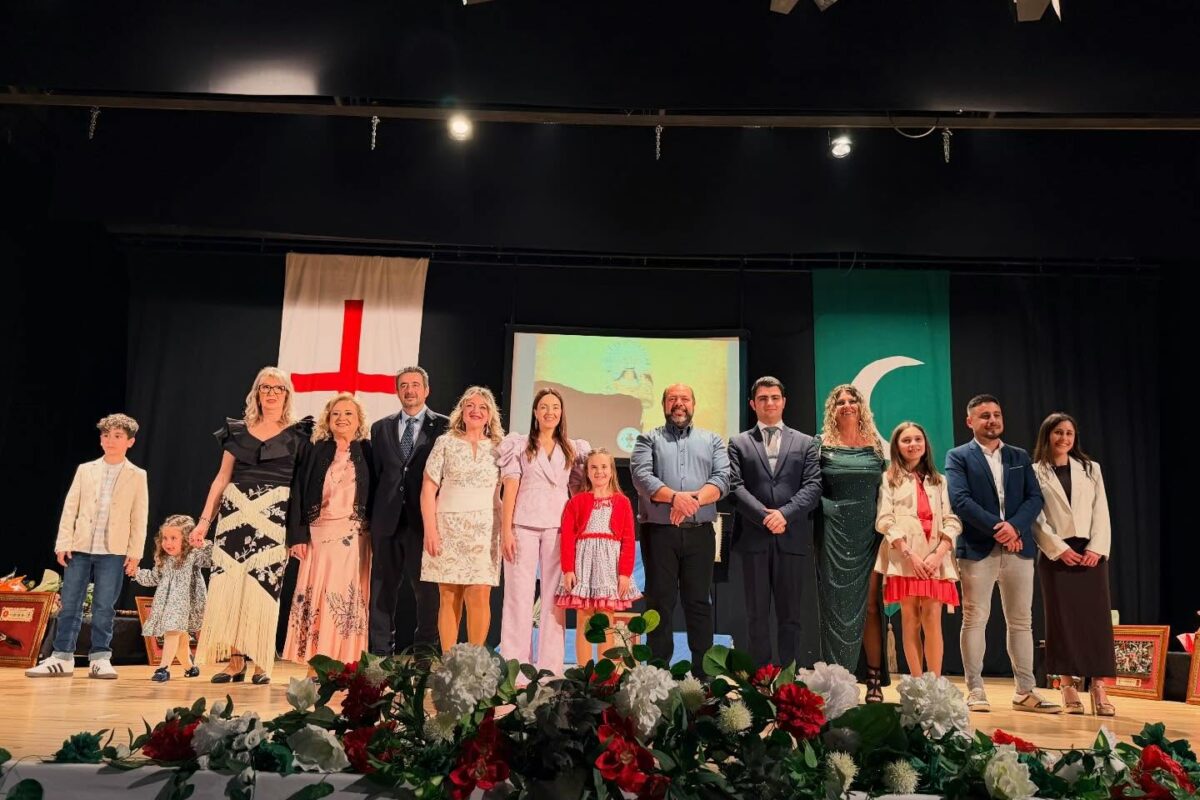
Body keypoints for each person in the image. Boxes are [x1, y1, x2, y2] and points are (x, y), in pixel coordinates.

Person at [190, 366, 313, 685]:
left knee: (264, 590)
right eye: (265, 387)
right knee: (231, 590)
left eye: (277, 388)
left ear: (286, 394)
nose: (271, 393)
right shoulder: (237, 430)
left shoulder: (299, 433)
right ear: (256, 393)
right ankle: (235, 662)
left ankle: (261, 661)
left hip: (274, 518)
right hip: (234, 516)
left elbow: (302, 487)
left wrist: (297, 532)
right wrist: (204, 522)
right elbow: (221, 478)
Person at [945, 394, 1059, 713]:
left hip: (1019, 549)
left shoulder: (1018, 455)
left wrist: (1015, 528)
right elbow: (960, 500)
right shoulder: (958, 456)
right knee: (975, 618)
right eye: (984, 416)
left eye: (996, 414)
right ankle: (975, 689)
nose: (992, 420)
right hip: (977, 548)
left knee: (1022, 621)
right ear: (970, 421)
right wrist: (1000, 529)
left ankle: (1025, 691)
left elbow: (1034, 498)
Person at [27, 413, 148, 679]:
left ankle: (100, 657)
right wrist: (63, 542)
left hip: (113, 550)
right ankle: (62, 657)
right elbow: (70, 507)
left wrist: (135, 553)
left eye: (117, 436)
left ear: (130, 441)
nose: (110, 440)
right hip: (80, 547)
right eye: (106, 435)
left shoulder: (137, 475)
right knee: (70, 603)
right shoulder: (86, 469)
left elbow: (139, 516)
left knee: (104, 606)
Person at [630, 383, 730, 673]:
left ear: (693, 404)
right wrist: (675, 498)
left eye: (684, 398)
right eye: (672, 398)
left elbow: (723, 479)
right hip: (659, 534)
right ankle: (658, 673)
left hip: (700, 533)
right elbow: (641, 477)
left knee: (698, 602)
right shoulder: (647, 439)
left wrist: (690, 502)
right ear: (664, 405)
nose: (678, 403)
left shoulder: (712, 440)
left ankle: (704, 674)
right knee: (659, 603)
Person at [727, 376, 823, 668]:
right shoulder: (738, 443)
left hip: (791, 538)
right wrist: (765, 516)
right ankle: (760, 678)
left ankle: (787, 677)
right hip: (753, 539)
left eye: (774, 398)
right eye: (763, 398)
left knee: (790, 616)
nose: (769, 403)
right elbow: (734, 486)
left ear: (784, 402)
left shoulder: (806, 442)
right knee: (756, 615)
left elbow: (813, 486)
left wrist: (784, 514)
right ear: (752, 404)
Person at [498, 387, 590, 676]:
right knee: (518, 596)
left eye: (555, 407)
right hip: (522, 525)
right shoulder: (520, 445)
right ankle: (516, 667)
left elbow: (577, 490)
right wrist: (506, 530)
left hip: (558, 527)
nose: (550, 412)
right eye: (544, 407)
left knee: (554, 599)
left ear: (561, 413)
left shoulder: (572, 448)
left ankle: (550, 668)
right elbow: (510, 488)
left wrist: (581, 529)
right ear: (535, 412)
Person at [1032, 412, 1116, 716]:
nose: (1064, 438)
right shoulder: (1034, 471)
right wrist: (1058, 548)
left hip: (1090, 553)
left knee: (1096, 622)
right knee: (1062, 621)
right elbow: (1036, 518)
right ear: (1047, 435)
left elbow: (1101, 510)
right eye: (1058, 432)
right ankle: (1067, 685)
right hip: (1057, 554)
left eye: (1069, 433)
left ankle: (1098, 687)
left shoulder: (1091, 468)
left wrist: (1097, 548)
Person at [283, 393, 375, 667]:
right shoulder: (315, 449)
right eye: (336, 413)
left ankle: (346, 664)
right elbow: (298, 492)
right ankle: (315, 665)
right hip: (318, 535)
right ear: (328, 419)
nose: (341, 418)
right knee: (317, 596)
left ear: (358, 419)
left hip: (355, 538)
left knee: (345, 599)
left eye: (348, 413)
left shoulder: (368, 450)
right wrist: (297, 536)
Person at [369, 366, 449, 659]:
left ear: (426, 390)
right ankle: (381, 656)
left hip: (424, 523)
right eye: (404, 385)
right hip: (386, 522)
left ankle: (424, 655)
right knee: (382, 591)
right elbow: (377, 475)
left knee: (427, 593)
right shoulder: (380, 428)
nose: (410, 390)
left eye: (415, 384)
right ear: (397, 391)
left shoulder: (445, 427)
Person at [813, 384, 887, 700]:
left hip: (869, 533)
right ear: (832, 409)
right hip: (832, 531)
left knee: (870, 605)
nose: (846, 405)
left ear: (860, 407)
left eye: (851, 400)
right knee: (834, 606)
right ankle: (836, 681)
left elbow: (886, 490)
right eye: (839, 401)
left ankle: (873, 679)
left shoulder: (876, 446)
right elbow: (811, 487)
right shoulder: (820, 445)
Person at [874, 422, 961, 677]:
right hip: (905, 559)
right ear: (897, 447)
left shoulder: (939, 480)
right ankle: (916, 682)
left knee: (932, 618)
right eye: (906, 440)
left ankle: (934, 683)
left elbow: (951, 520)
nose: (913, 444)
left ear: (925, 444)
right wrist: (908, 553)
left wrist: (939, 553)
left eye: (917, 439)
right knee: (910, 618)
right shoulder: (889, 479)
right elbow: (884, 520)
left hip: (935, 560)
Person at [421, 386, 504, 651]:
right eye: (470, 405)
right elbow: (428, 489)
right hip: (448, 527)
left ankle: (475, 662)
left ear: (490, 414)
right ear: (462, 411)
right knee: (449, 595)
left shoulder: (500, 448)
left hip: (485, 529)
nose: (476, 411)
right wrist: (430, 530)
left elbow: (509, 490)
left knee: (480, 594)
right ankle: (450, 661)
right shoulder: (445, 443)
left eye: (482, 407)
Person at [556, 448, 640, 665]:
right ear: (587, 472)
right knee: (584, 618)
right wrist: (568, 569)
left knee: (605, 620)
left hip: (609, 567)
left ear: (611, 471)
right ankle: (583, 671)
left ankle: (605, 673)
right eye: (594, 467)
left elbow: (628, 540)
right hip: (583, 565)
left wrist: (624, 574)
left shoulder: (622, 502)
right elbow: (567, 538)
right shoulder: (576, 502)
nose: (599, 471)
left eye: (604, 467)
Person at [129, 515, 212, 682]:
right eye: (165, 538)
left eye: (173, 538)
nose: (168, 543)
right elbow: (154, 578)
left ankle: (163, 668)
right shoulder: (163, 559)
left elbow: (210, 560)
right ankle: (190, 667)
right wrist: (136, 573)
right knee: (180, 639)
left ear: (186, 539)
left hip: (185, 604)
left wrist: (202, 544)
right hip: (167, 605)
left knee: (172, 632)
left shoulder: (192, 555)